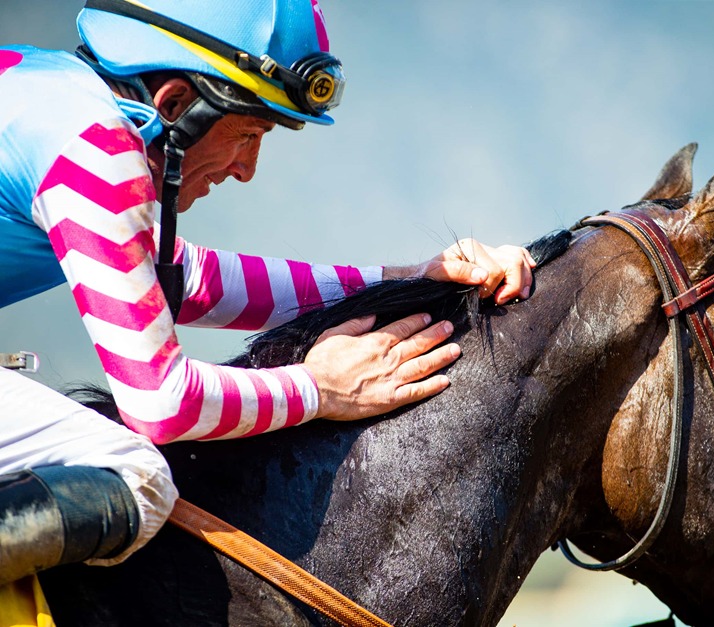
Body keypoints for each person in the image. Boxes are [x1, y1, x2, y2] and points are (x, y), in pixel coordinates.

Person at [0, 0, 535, 587]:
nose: (247, 169)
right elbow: (161, 403)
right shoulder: (94, 142)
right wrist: (321, 388)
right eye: (249, 133)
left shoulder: (52, 90)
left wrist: (411, 279)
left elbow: (188, 278)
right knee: (136, 473)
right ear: (175, 104)